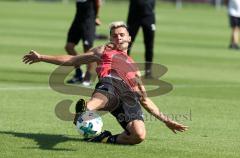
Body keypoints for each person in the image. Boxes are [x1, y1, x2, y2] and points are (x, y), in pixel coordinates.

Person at [23, 21, 188, 145]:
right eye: (115, 35)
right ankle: (85, 110)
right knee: (103, 95)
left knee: (139, 136)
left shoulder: (135, 68)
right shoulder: (104, 50)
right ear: (111, 38)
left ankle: (104, 138)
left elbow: (144, 99)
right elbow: (73, 59)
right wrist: (42, 57)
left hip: (129, 97)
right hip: (110, 83)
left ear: (129, 38)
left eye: (122, 34)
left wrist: (166, 120)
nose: (118, 37)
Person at [65, 0, 101, 86]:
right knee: (69, 47)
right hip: (77, 21)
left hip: (88, 21)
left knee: (88, 51)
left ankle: (88, 77)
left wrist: (96, 17)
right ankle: (78, 74)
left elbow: (98, 3)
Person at [127, 0, 156, 78]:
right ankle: (123, 68)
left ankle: (148, 71)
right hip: (134, 15)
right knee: (127, 43)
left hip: (148, 16)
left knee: (149, 45)